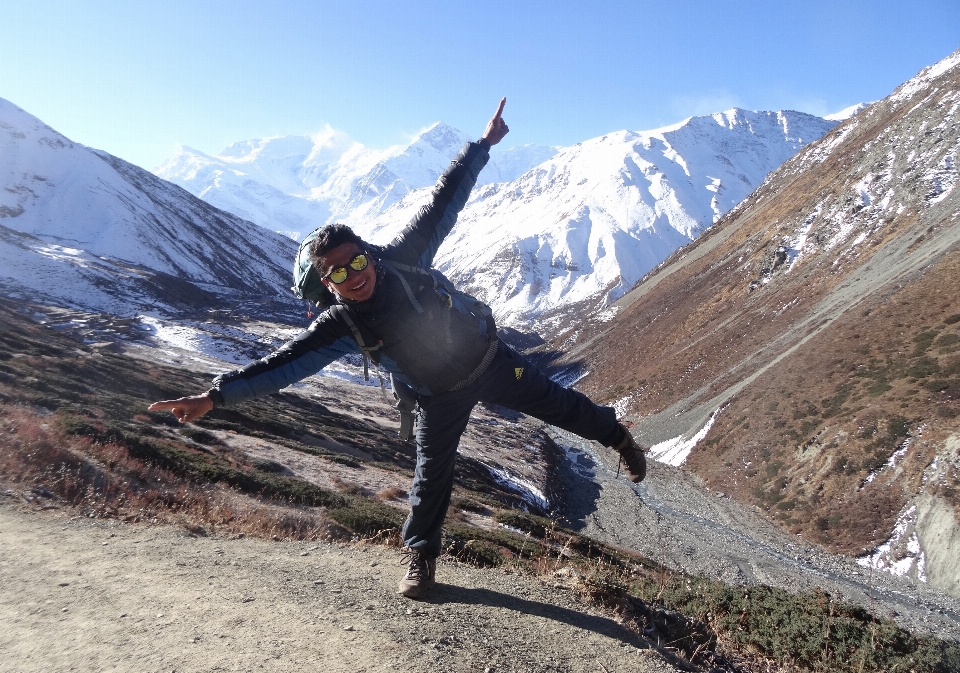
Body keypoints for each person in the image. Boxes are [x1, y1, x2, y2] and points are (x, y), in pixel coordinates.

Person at [149, 98, 647, 598]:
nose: (354, 275)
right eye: (338, 273)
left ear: (367, 251)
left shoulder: (405, 258)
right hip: (436, 397)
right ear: (327, 285)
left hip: (489, 361)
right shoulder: (339, 325)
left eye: (356, 261)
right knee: (431, 478)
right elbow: (282, 366)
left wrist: (483, 145)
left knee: (563, 407)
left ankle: (619, 439)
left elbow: (444, 198)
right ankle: (421, 561)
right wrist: (215, 397)